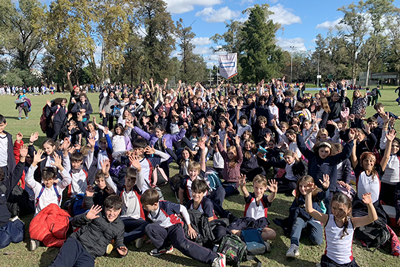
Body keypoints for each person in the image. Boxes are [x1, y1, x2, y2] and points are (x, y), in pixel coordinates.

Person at [141, 188, 226, 267]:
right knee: (149, 227)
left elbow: (182, 209)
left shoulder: (166, 205)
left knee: (181, 243)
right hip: (165, 229)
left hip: (175, 226)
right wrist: (154, 236)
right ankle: (165, 247)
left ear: (155, 204)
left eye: (145, 205)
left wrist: (189, 226)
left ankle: (215, 257)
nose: (143, 207)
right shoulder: (148, 210)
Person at [305, 189, 378, 267]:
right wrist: (309, 193)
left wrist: (369, 204)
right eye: (334, 208)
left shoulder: (352, 222)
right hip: (331, 262)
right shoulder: (327, 219)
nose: (337, 212)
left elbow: (372, 218)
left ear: (349, 209)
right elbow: (309, 210)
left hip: (348, 263)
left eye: (341, 210)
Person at [49, 196, 128, 267]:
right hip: (77, 243)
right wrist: (86, 217)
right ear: (105, 208)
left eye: (115, 211)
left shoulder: (120, 226)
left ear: (119, 210)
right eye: (109, 210)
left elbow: (119, 242)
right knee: (60, 264)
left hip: (90, 254)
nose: (111, 214)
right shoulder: (97, 213)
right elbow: (74, 222)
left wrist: (123, 251)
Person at [285, 175, 329, 258]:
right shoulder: (299, 197)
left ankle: (305, 231)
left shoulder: (315, 195)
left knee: (317, 240)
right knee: (298, 222)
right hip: (302, 219)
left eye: (305, 186)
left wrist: (326, 188)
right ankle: (293, 247)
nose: (302, 188)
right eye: (300, 186)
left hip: (314, 219)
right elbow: (292, 212)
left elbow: (324, 196)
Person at [229, 174, 277, 248]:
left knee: (272, 233)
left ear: (265, 188)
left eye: (261, 188)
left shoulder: (265, 199)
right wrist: (242, 186)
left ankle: (246, 237)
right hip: (247, 223)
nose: (258, 190)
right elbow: (245, 193)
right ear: (253, 186)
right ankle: (255, 238)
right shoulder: (250, 197)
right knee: (232, 230)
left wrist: (274, 192)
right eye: (256, 188)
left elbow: (270, 198)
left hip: (260, 225)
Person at [0, 144, 26, 249]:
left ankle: (16, 221)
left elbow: (15, 176)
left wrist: (22, 158)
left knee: (18, 238)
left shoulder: (3, 186)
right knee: (3, 242)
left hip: (6, 222)